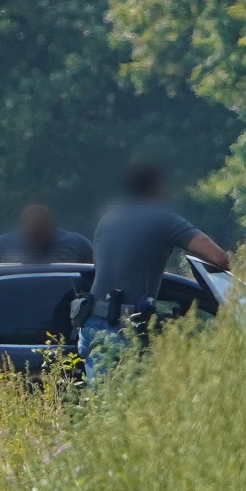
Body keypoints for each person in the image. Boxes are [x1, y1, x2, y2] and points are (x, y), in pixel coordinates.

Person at [76, 163, 230, 382]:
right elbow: (219, 258)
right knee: (128, 409)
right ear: (156, 187)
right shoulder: (163, 219)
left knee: (104, 407)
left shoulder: (108, 218)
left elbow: (101, 267)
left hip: (91, 325)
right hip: (123, 329)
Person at [0, 204, 94, 264]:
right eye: (32, 233)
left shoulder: (78, 244)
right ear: (22, 229)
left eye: (41, 231)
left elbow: (99, 271)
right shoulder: (4, 244)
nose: (37, 238)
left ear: (51, 226)